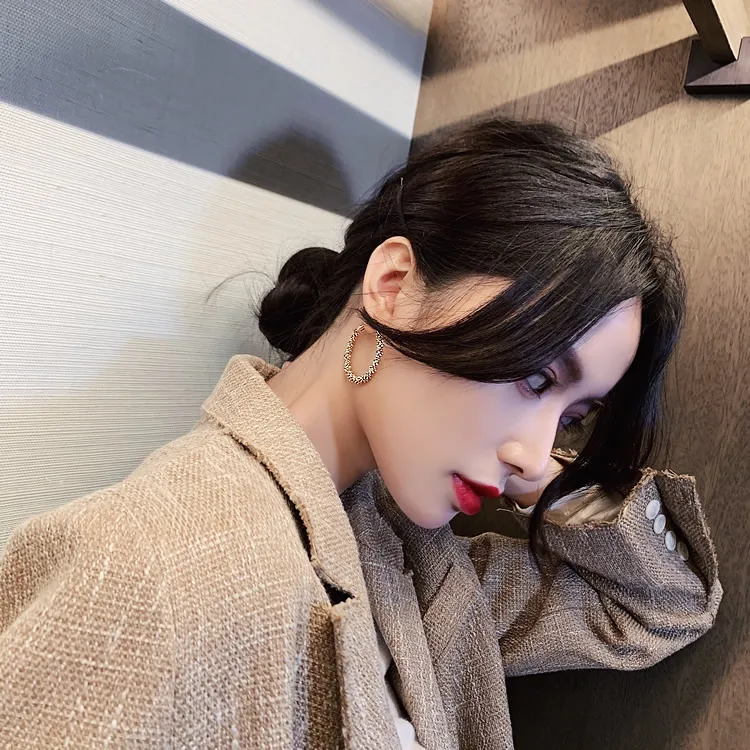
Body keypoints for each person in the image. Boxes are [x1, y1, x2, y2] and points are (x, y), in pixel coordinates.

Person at [0, 119, 722, 749]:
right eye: (536, 376)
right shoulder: (156, 567)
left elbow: (662, 605)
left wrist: (548, 480)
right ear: (395, 285)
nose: (533, 453)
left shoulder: (415, 568)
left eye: (572, 418)